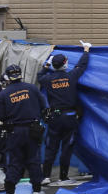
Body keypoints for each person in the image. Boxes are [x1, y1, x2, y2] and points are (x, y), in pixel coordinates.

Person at [0, 64, 48, 194]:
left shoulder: (4, 93)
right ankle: (37, 190)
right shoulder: (32, 88)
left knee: (15, 160)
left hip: (14, 131)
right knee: (33, 159)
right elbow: (43, 106)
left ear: (8, 77)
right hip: (33, 129)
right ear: (20, 74)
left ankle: (10, 192)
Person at [38, 42, 91, 186]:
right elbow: (82, 65)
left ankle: (46, 177)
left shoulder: (47, 80)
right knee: (67, 147)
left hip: (54, 117)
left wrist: (46, 64)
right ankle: (63, 177)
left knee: (51, 147)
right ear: (65, 64)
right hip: (70, 117)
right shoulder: (71, 77)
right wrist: (86, 50)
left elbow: (39, 76)